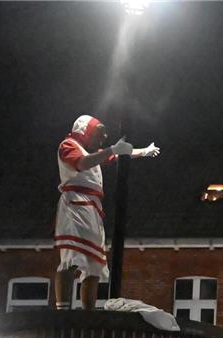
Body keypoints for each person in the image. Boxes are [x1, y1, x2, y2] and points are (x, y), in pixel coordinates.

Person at [54, 114, 160, 310]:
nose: (102, 139)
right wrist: (113, 149)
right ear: (85, 131)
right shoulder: (68, 145)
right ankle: (62, 310)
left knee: (94, 264)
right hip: (75, 204)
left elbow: (116, 155)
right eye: (99, 134)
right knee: (71, 258)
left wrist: (143, 151)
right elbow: (82, 163)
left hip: (93, 208)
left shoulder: (90, 151)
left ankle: (88, 312)